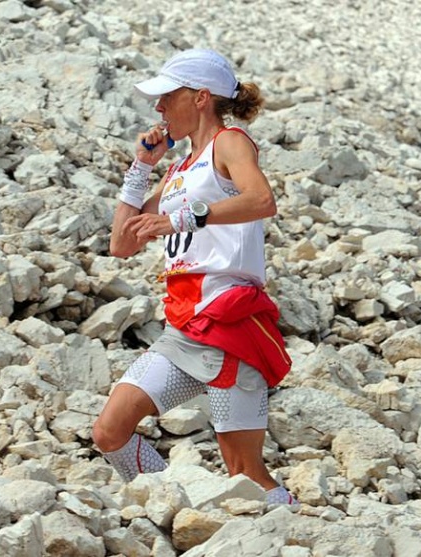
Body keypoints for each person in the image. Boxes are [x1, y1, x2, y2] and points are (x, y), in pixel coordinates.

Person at [91, 48, 296, 505]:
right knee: (109, 431)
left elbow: (262, 200)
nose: (158, 108)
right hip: (182, 328)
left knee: (246, 476)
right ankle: (179, 505)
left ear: (201, 97)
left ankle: (297, 532)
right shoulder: (180, 169)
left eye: (167, 96)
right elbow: (121, 244)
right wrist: (142, 168)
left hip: (228, 326)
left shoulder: (231, 142)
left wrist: (181, 220)